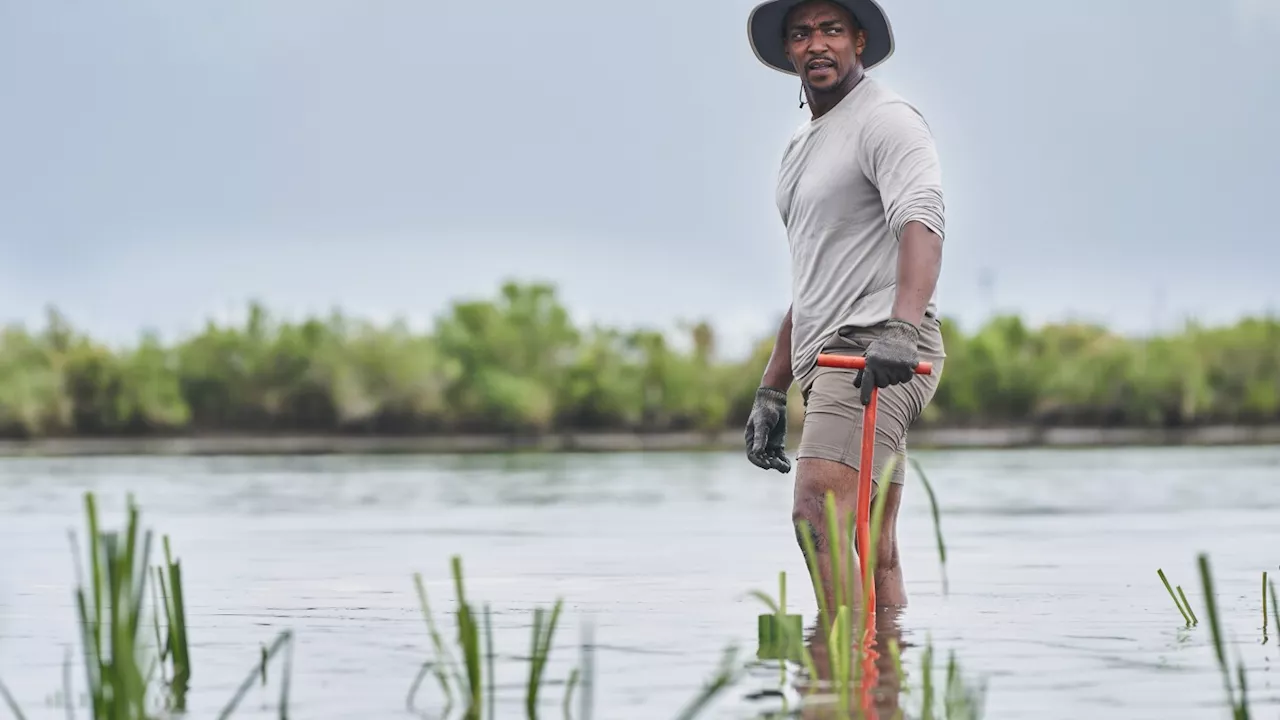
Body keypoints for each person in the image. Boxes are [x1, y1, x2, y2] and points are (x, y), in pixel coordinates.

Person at [743, 0, 947, 616]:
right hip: (833, 351)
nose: (817, 44)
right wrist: (772, 389)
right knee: (872, 543)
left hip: (874, 352)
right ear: (788, 52)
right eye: (802, 34)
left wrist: (902, 328)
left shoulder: (886, 120)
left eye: (832, 29)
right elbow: (813, 281)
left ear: (859, 40)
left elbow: (924, 219)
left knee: (817, 512)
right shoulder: (801, 149)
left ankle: (834, 685)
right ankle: (883, 690)